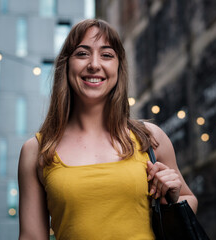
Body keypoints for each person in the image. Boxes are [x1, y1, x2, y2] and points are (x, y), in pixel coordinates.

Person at [18, 19, 198, 240]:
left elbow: (189, 201)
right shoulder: (36, 150)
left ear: (118, 67)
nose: (94, 64)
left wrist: (172, 195)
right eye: (82, 54)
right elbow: (32, 237)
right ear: (67, 65)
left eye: (106, 55)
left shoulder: (150, 138)